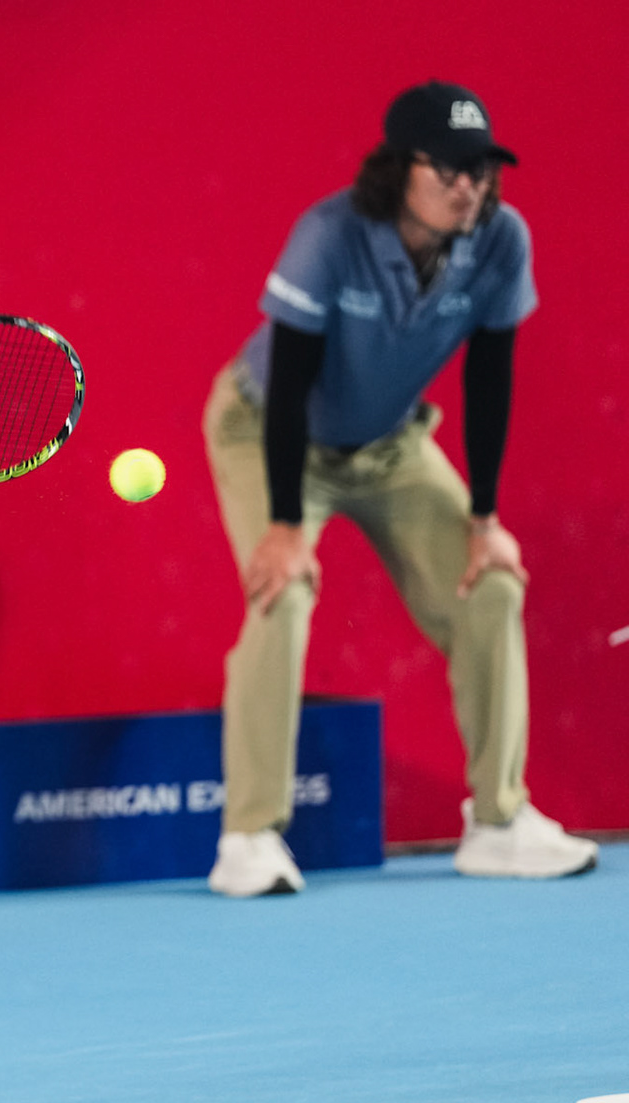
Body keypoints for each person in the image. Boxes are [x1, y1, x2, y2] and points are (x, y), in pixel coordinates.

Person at [202, 80, 598, 898]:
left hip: (391, 445)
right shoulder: (328, 235)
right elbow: (290, 386)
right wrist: (283, 526)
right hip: (271, 432)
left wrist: (485, 518)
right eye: (450, 169)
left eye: (481, 170)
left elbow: (492, 376)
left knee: (491, 583)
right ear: (400, 169)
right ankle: (249, 836)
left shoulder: (500, 239)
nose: (470, 186)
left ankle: (497, 821)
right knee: (287, 591)